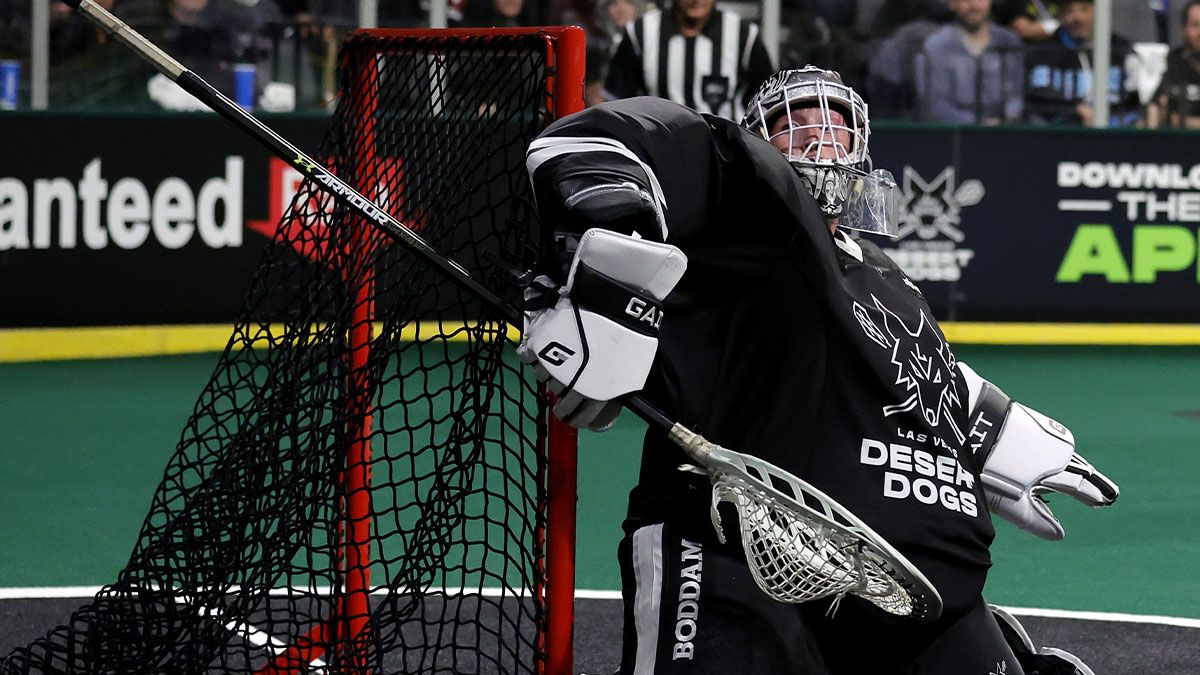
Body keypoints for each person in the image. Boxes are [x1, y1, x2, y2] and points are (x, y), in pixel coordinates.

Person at [520, 66, 1117, 672]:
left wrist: (993, 427)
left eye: (836, 125)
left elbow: (890, 368)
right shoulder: (757, 219)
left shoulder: (883, 270)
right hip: (736, 543)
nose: (819, 136)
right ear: (759, 141)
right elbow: (608, 141)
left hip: (909, 586)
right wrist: (606, 271)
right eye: (793, 122)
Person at [602, 0, 776, 120]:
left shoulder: (743, 35)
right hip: (657, 152)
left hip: (725, 158)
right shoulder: (640, 34)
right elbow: (615, 105)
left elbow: (767, 103)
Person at [1024, 0, 1141, 126]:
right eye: (1069, 11)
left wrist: (1112, 119)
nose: (1077, 17)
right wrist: (1074, 110)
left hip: (1116, 135)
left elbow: (1133, 100)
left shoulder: (1121, 49)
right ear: (1060, 15)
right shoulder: (1043, 53)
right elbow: (1038, 99)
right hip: (1064, 134)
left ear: (1097, 10)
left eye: (1084, 9)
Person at [915, 0, 1024, 124]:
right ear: (952, 4)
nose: (974, 5)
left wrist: (1004, 120)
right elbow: (935, 105)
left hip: (1006, 131)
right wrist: (978, 125)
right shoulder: (936, 46)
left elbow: (1017, 95)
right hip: (955, 135)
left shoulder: (1009, 41)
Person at [1147, 0, 1200, 129]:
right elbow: (1156, 106)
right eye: (1195, 25)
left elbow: (1178, 120)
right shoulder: (1174, 60)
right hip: (1181, 142)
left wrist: (1187, 122)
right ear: (1183, 29)